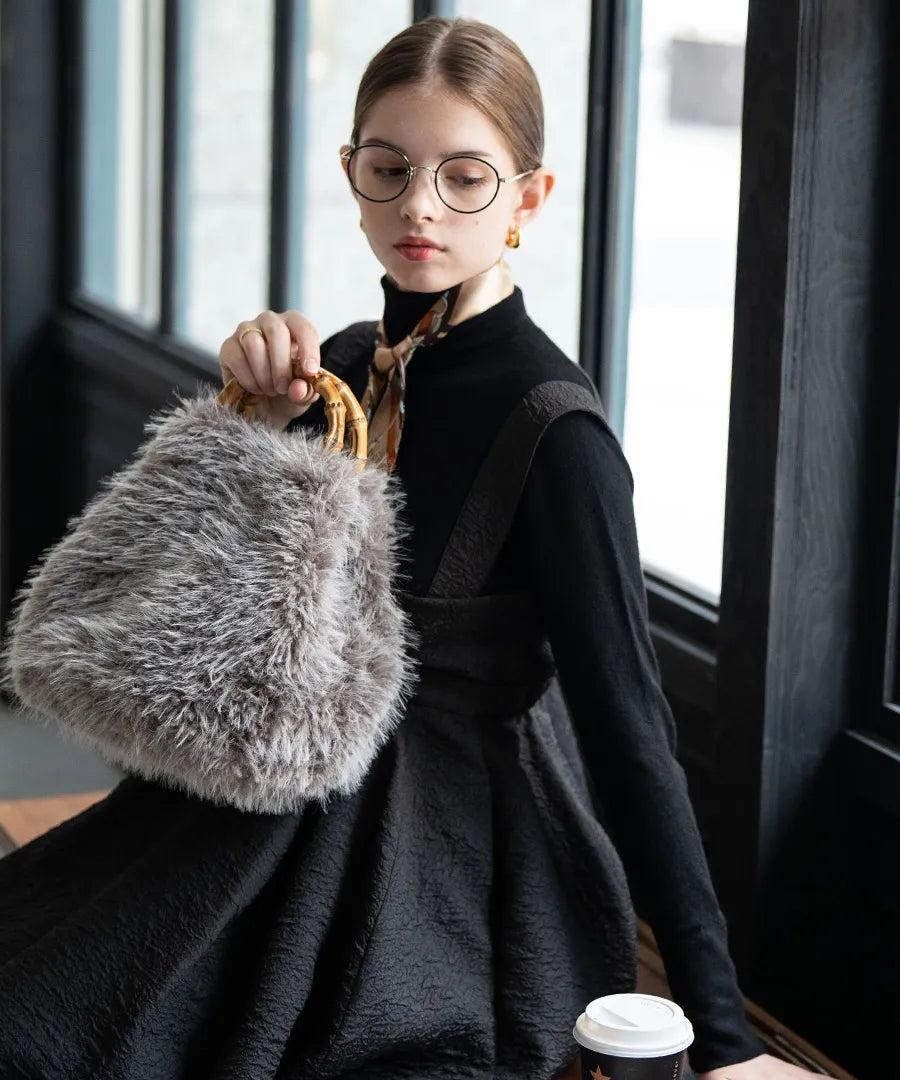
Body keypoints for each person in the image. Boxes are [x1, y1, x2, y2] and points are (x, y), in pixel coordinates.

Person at [0, 16, 819, 1080]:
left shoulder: (556, 432)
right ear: (352, 174)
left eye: (465, 176)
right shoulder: (334, 369)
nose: (419, 207)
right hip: (264, 805)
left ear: (530, 199)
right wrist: (238, 424)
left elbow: (631, 733)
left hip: (447, 859)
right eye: (389, 169)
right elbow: (193, 637)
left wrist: (723, 1041)